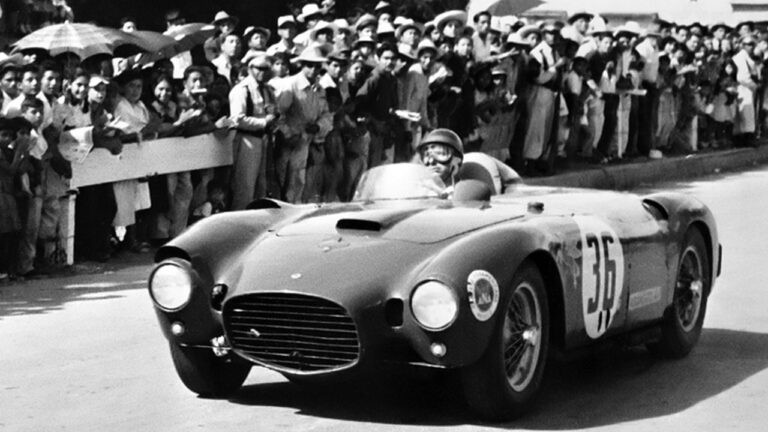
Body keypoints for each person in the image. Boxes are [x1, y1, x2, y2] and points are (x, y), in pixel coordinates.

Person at [274, 45, 333, 203]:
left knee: (299, 182)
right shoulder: (291, 85)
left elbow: (326, 115)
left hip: (307, 141)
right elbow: (278, 114)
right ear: (302, 65)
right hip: (288, 143)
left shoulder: (319, 89)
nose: (314, 69)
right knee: (283, 182)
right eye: (310, 65)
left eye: (317, 66)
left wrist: (318, 126)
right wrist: (287, 134)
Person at [229, 52, 278, 209]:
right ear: (250, 68)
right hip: (247, 140)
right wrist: (264, 122)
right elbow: (237, 119)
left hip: (263, 139)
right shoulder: (242, 89)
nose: (263, 72)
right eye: (259, 68)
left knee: (261, 186)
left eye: (266, 69)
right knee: (245, 186)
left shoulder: (267, 90)